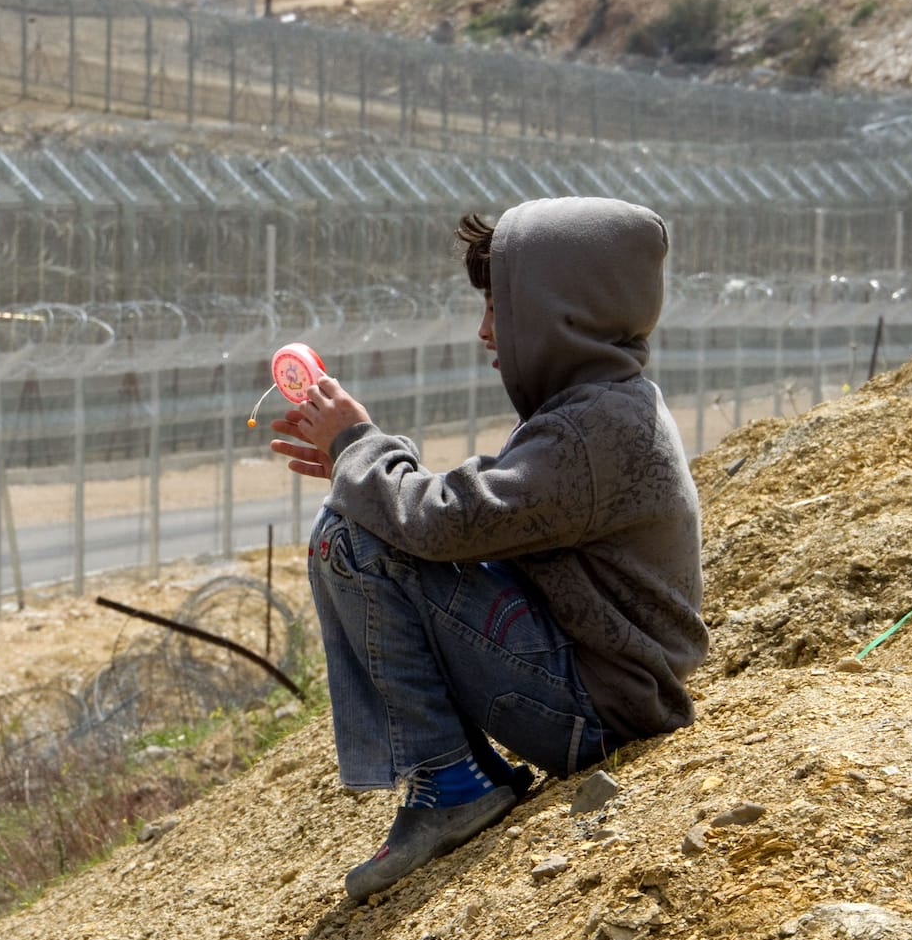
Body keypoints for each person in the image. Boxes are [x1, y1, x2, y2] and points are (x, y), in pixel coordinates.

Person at [268, 197, 707, 902]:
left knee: (351, 540)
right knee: (371, 521)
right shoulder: (606, 409)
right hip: (604, 690)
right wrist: (363, 471)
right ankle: (448, 778)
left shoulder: (591, 431)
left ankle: (451, 783)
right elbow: (474, 515)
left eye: (499, 308)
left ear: (559, 309)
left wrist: (359, 452)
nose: (483, 332)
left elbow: (441, 524)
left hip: (598, 712)